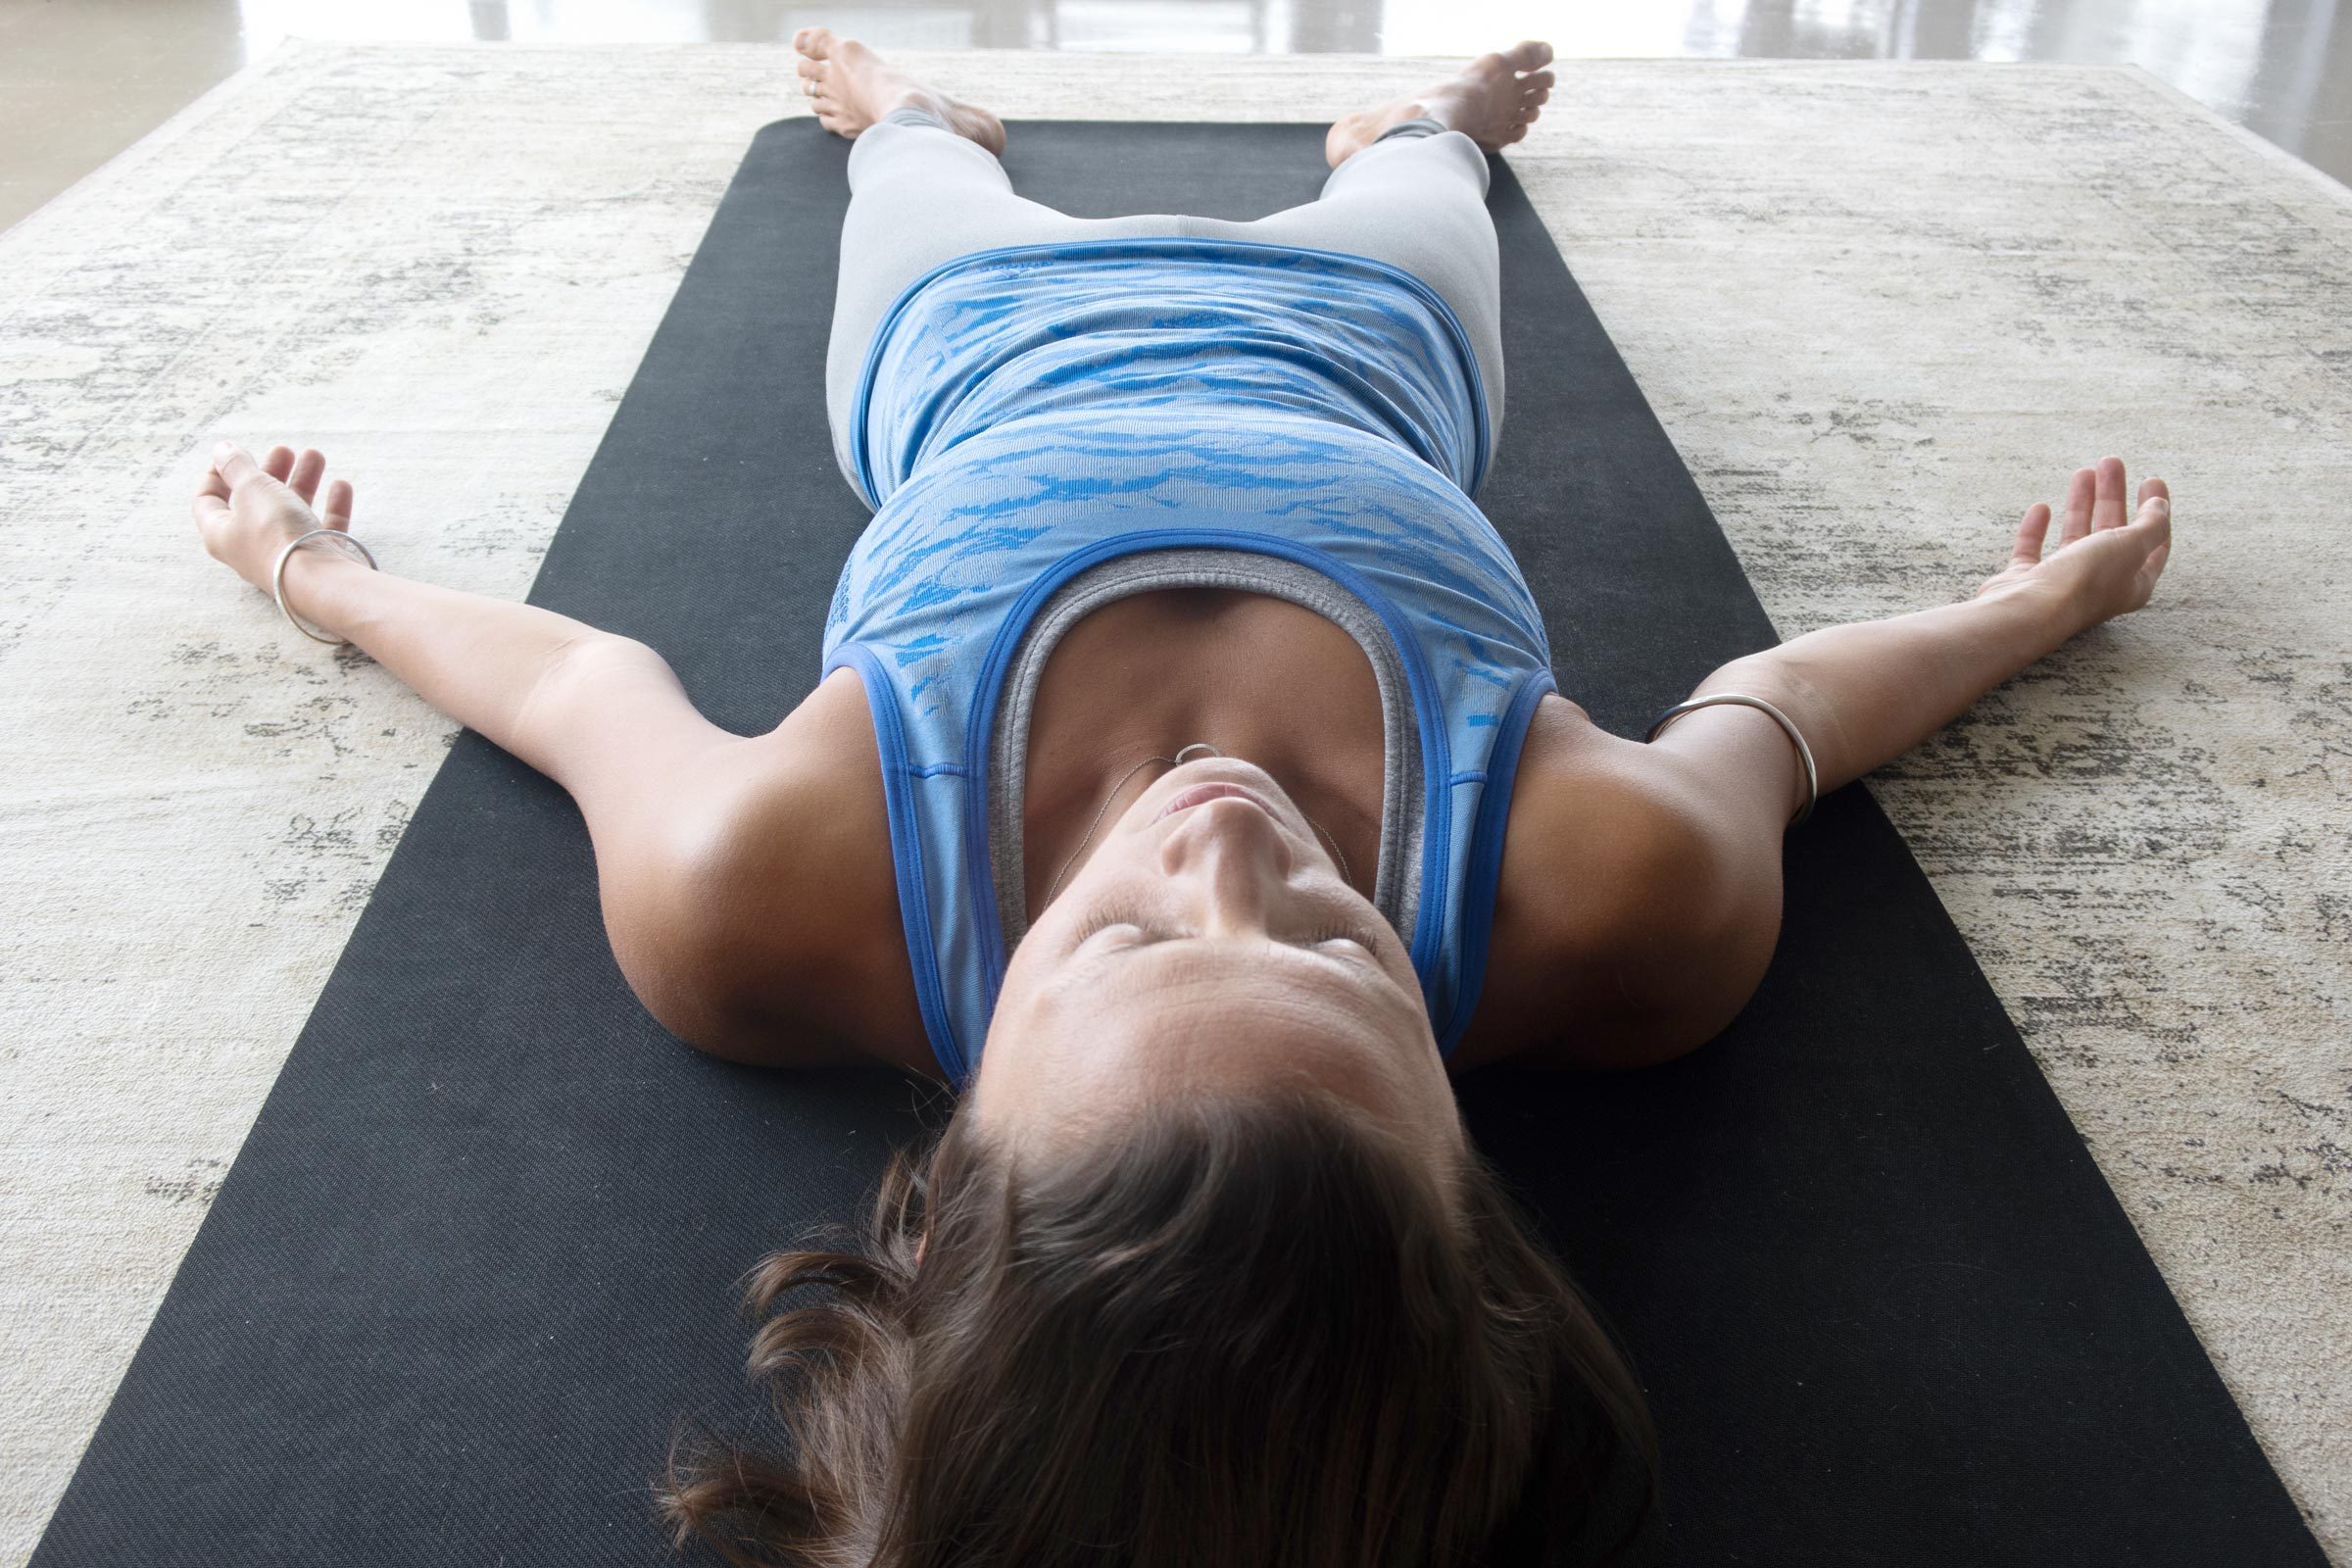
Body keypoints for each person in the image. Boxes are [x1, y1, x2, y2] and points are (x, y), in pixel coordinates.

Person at [190, 30, 2174, 1566]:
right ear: (1469, 1166)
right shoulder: (1616, 896)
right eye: (1341, 945)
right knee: (1426, 162)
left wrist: (315, 573)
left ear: (951, 1166)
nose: (1230, 833)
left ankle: (917, 116)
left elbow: (583, 686)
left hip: (971, 346)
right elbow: (1785, 709)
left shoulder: (770, 886)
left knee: (913, 155)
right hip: (1372, 347)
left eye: (1130, 933)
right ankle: (1419, 123)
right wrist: (2027, 607)